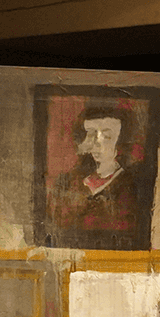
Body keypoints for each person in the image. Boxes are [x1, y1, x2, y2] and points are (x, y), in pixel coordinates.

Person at [46, 105, 148, 251]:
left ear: (121, 141)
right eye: (91, 134)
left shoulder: (131, 188)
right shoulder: (68, 182)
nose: (97, 142)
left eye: (107, 137)